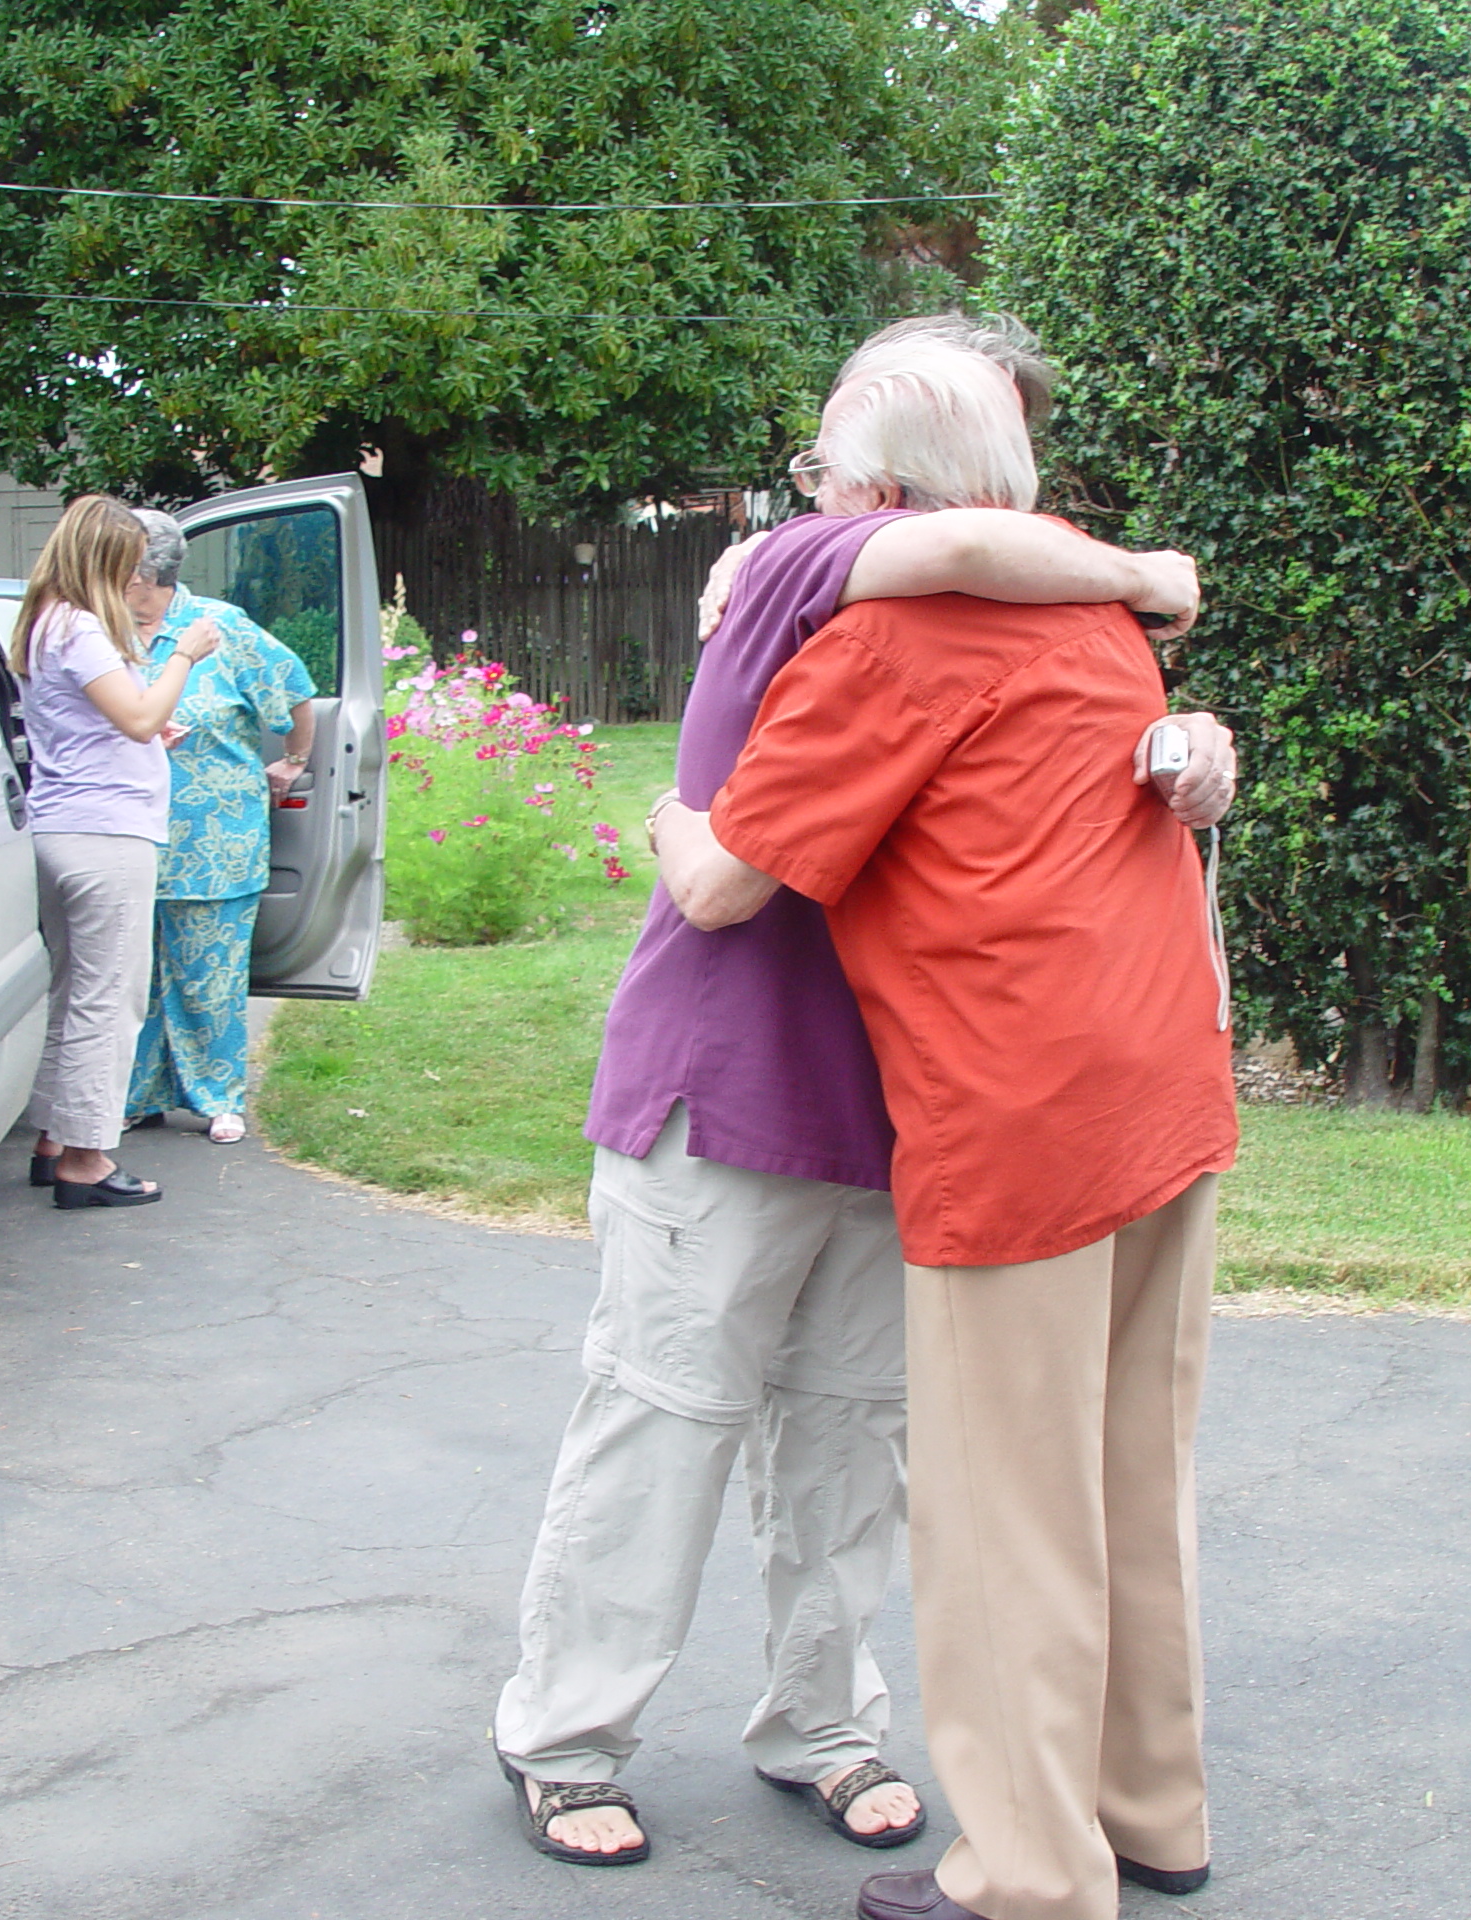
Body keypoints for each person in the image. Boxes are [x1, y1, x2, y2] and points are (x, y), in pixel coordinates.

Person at [492, 313, 1235, 1869]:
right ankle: (567, 1735)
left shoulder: (1030, 610)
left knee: (850, 1436)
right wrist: (1145, 571)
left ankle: (821, 1725)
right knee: (667, 1417)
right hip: (733, 1077)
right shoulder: (799, 571)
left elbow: (1089, 754)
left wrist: (1187, 730)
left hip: (911, 1102)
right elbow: (721, 886)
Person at [15, 495, 218, 1209]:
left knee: (73, 994)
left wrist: (148, 729)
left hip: (61, 824)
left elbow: (103, 724)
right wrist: (184, 658)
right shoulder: (80, 627)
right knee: (111, 1000)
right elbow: (137, 717)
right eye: (130, 565)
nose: (138, 580)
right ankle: (86, 1161)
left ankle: (51, 1138)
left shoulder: (45, 623)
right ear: (101, 559)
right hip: (107, 836)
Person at [120, 510, 318, 1144]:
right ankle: (135, 1095)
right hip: (127, 833)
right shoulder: (101, 629)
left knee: (212, 974)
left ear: (145, 574)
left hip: (215, 836)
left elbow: (293, 690)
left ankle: (218, 1096)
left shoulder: (219, 627)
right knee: (136, 977)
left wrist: (294, 760)